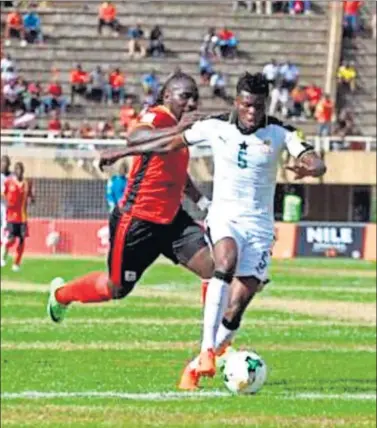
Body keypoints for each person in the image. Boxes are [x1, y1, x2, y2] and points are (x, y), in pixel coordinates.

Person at [103, 72, 327, 389]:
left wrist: (308, 168)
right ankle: (207, 350)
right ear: (237, 101)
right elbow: (168, 143)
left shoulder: (280, 132)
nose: (252, 112)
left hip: (260, 227)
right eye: (247, 105)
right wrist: (121, 153)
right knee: (225, 262)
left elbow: (316, 162)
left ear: (266, 104)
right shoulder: (214, 126)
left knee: (238, 305)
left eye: (259, 106)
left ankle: (195, 367)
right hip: (224, 217)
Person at [46, 72, 214, 330]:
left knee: (213, 268)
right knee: (116, 288)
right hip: (138, 220)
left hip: (172, 220)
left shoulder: (179, 133)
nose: (191, 103)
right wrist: (178, 128)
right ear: (167, 96)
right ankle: (61, 295)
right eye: (185, 96)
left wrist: (203, 204)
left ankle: (213, 349)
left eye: (195, 98)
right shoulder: (157, 116)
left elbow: (179, 174)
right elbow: (135, 138)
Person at [1, 162, 35, 271]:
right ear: (14, 172)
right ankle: (3, 255)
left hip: (23, 218)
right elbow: (3, 194)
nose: (19, 172)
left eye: (21, 170)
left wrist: (32, 197)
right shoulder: (8, 183)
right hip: (11, 217)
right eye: (17, 170)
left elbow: (31, 197)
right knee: (10, 240)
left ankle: (16, 264)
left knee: (21, 240)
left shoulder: (26, 183)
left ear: (22, 171)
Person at [1, 156, 12, 245]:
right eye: (2, 162)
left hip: (8, 206)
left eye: (6, 162)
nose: (3, 164)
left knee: (6, 226)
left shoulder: (12, 176)